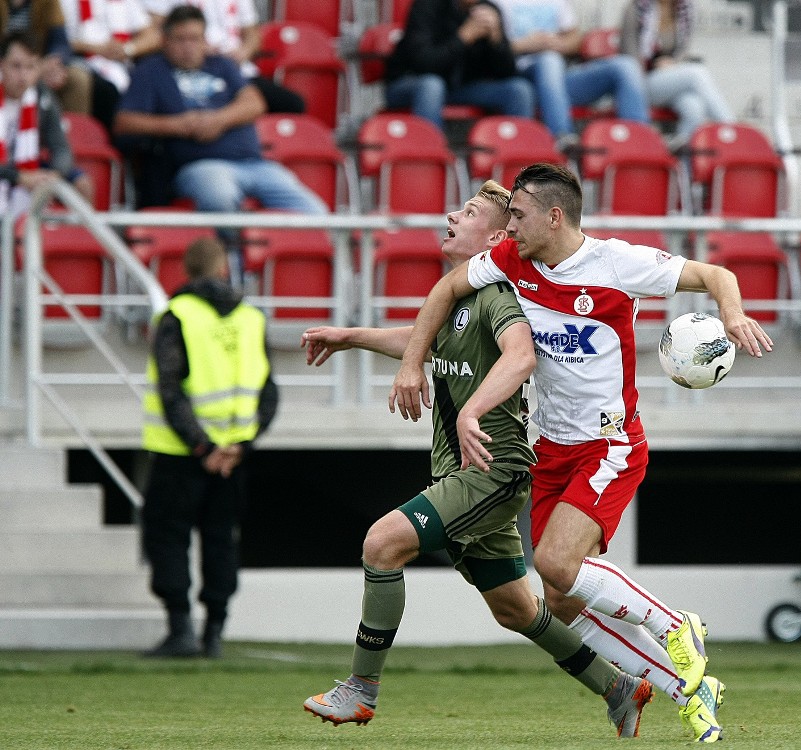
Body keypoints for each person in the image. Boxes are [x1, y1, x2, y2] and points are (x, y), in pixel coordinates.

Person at [389, 163, 775, 742]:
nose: (508, 227)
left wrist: (733, 314)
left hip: (610, 443)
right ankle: (688, 689)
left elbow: (715, 273)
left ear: (554, 215)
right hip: (552, 451)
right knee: (563, 603)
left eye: (517, 215)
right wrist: (412, 362)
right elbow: (446, 289)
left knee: (554, 566)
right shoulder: (510, 263)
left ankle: (676, 624)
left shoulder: (617, 262)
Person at [300, 181, 653, 737]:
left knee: (382, 543)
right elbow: (422, 338)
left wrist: (472, 411)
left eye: (466, 212)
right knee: (517, 610)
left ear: (494, 235)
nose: (449, 216)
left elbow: (521, 352)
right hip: (464, 468)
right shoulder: (463, 298)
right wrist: (351, 337)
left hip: (491, 468)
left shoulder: (501, 298)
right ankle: (619, 688)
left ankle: (359, 690)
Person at [141, 235, 279, 658]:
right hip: (233, 457)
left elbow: (171, 390)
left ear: (186, 270)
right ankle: (214, 633)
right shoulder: (252, 318)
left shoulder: (176, 315)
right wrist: (241, 445)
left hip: (181, 455)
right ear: (224, 268)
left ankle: (180, 630)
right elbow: (268, 391)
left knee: (168, 538)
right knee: (222, 539)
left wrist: (203, 448)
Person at [112, 5, 326, 219]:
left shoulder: (221, 65)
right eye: (180, 39)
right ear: (165, 41)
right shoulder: (151, 70)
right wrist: (178, 125)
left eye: (194, 39)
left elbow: (255, 103)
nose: (188, 47)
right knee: (220, 198)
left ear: (205, 40)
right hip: (200, 166)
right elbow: (124, 123)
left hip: (255, 164)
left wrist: (218, 121)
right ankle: (232, 253)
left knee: (315, 212)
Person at [491, 0, 649, 146]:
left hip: (557, 84)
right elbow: (489, 50)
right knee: (549, 59)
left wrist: (559, 44)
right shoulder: (497, 3)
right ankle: (562, 138)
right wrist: (526, 45)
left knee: (625, 65)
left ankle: (640, 144)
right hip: (521, 82)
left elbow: (575, 39)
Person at [384, 0, 536, 133]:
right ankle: (429, 156)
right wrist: (463, 38)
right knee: (432, 85)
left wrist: (497, 41)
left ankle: (516, 158)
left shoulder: (488, 10)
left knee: (519, 90)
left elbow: (508, 73)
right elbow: (423, 63)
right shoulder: (427, 5)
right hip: (410, 82)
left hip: (461, 87)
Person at [143, 0, 306, 113]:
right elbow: (158, 31)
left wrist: (243, 53)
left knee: (293, 104)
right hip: (195, 72)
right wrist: (198, 48)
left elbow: (253, 35)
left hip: (238, 70)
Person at [0, 31, 93, 216]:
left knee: (82, 183)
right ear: (1, 65)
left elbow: (61, 147)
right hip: (8, 170)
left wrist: (54, 175)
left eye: (30, 67)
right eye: (16, 66)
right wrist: (19, 177)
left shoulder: (41, 95)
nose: (23, 75)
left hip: (28, 166)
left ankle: (78, 242)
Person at [620, 0, 734, 149]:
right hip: (639, 83)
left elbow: (683, 50)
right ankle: (734, 130)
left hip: (670, 80)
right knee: (696, 72)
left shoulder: (685, 10)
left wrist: (672, 64)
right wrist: (656, 67)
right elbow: (629, 60)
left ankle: (682, 169)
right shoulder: (637, 9)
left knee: (694, 108)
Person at [1, 0, 119, 128]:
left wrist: (50, 63)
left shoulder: (48, 2)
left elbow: (61, 42)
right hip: (6, 63)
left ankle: (73, 136)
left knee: (77, 79)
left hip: (38, 63)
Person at [60, 0, 161, 114]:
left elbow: (152, 36)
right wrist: (96, 48)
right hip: (79, 59)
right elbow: (58, 40)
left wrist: (127, 49)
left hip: (120, 62)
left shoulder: (127, 2)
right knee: (104, 90)